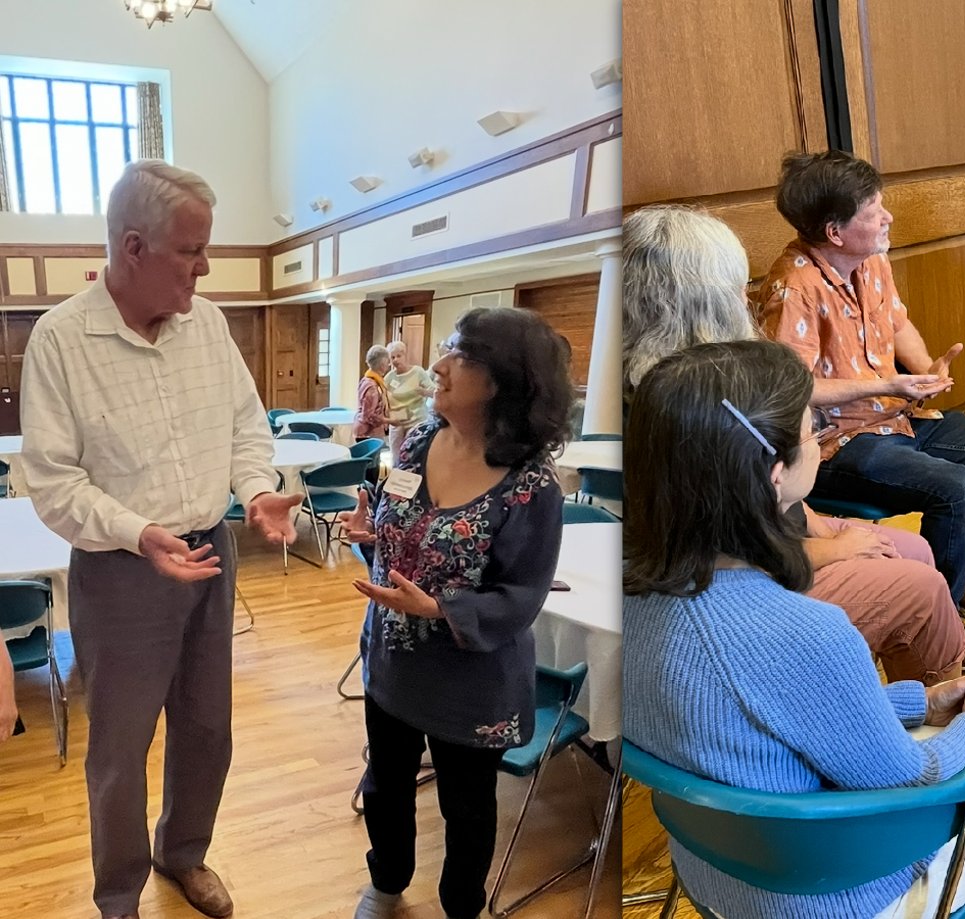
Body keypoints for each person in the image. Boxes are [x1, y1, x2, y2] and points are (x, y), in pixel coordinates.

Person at [625, 339, 965, 919]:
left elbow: (773, 715)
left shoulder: (629, 603)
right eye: (812, 428)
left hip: (715, 874)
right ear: (773, 475)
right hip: (831, 893)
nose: (820, 439)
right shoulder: (807, 632)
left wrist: (919, 701)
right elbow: (916, 782)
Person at [18, 159, 304, 919]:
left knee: (208, 727)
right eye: (192, 250)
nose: (206, 267)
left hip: (211, 550)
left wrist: (259, 490)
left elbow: (247, 427)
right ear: (133, 246)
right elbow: (50, 478)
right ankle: (119, 895)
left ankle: (185, 854)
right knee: (119, 746)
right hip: (121, 572)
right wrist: (137, 532)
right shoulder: (60, 339)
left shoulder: (206, 324)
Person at [627, 203, 965, 681]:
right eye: (736, 285)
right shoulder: (690, 405)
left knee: (917, 555)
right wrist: (833, 550)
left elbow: (774, 503)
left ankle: (892, 666)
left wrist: (822, 528)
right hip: (742, 585)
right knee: (922, 582)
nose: (745, 295)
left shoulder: (707, 377)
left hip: (774, 539)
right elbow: (725, 557)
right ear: (707, 297)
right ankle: (931, 703)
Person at [341, 307, 571, 919]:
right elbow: (402, 531)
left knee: (467, 810)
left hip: (472, 682)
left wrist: (441, 609)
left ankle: (460, 908)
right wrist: (372, 536)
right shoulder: (416, 443)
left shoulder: (532, 487)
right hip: (392, 657)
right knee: (386, 785)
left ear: (506, 381)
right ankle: (387, 883)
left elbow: (522, 596)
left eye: (460, 356)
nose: (437, 366)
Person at [755, 151, 965, 622]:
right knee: (962, 489)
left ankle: (957, 572)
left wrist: (927, 371)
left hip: (898, 417)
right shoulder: (794, 289)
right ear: (835, 232)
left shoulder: (870, 259)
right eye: (874, 212)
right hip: (835, 445)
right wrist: (885, 384)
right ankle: (937, 612)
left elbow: (898, 323)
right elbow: (792, 390)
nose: (888, 218)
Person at [383, 339, 435, 448]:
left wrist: (424, 392)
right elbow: (384, 398)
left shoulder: (418, 372)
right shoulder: (389, 378)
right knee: (396, 458)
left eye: (399, 356)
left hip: (416, 421)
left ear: (405, 355)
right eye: (392, 357)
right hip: (397, 423)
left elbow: (435, 392)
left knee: (414, 455)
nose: (396, 360)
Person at [354, 344, 392, 440]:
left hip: (371, 432)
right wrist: (391, 420)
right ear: (382, 364)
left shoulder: (372, 380)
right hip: (368, 434)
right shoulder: (372, 386)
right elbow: (368, 416)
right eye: (388, 361)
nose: (389, 365)